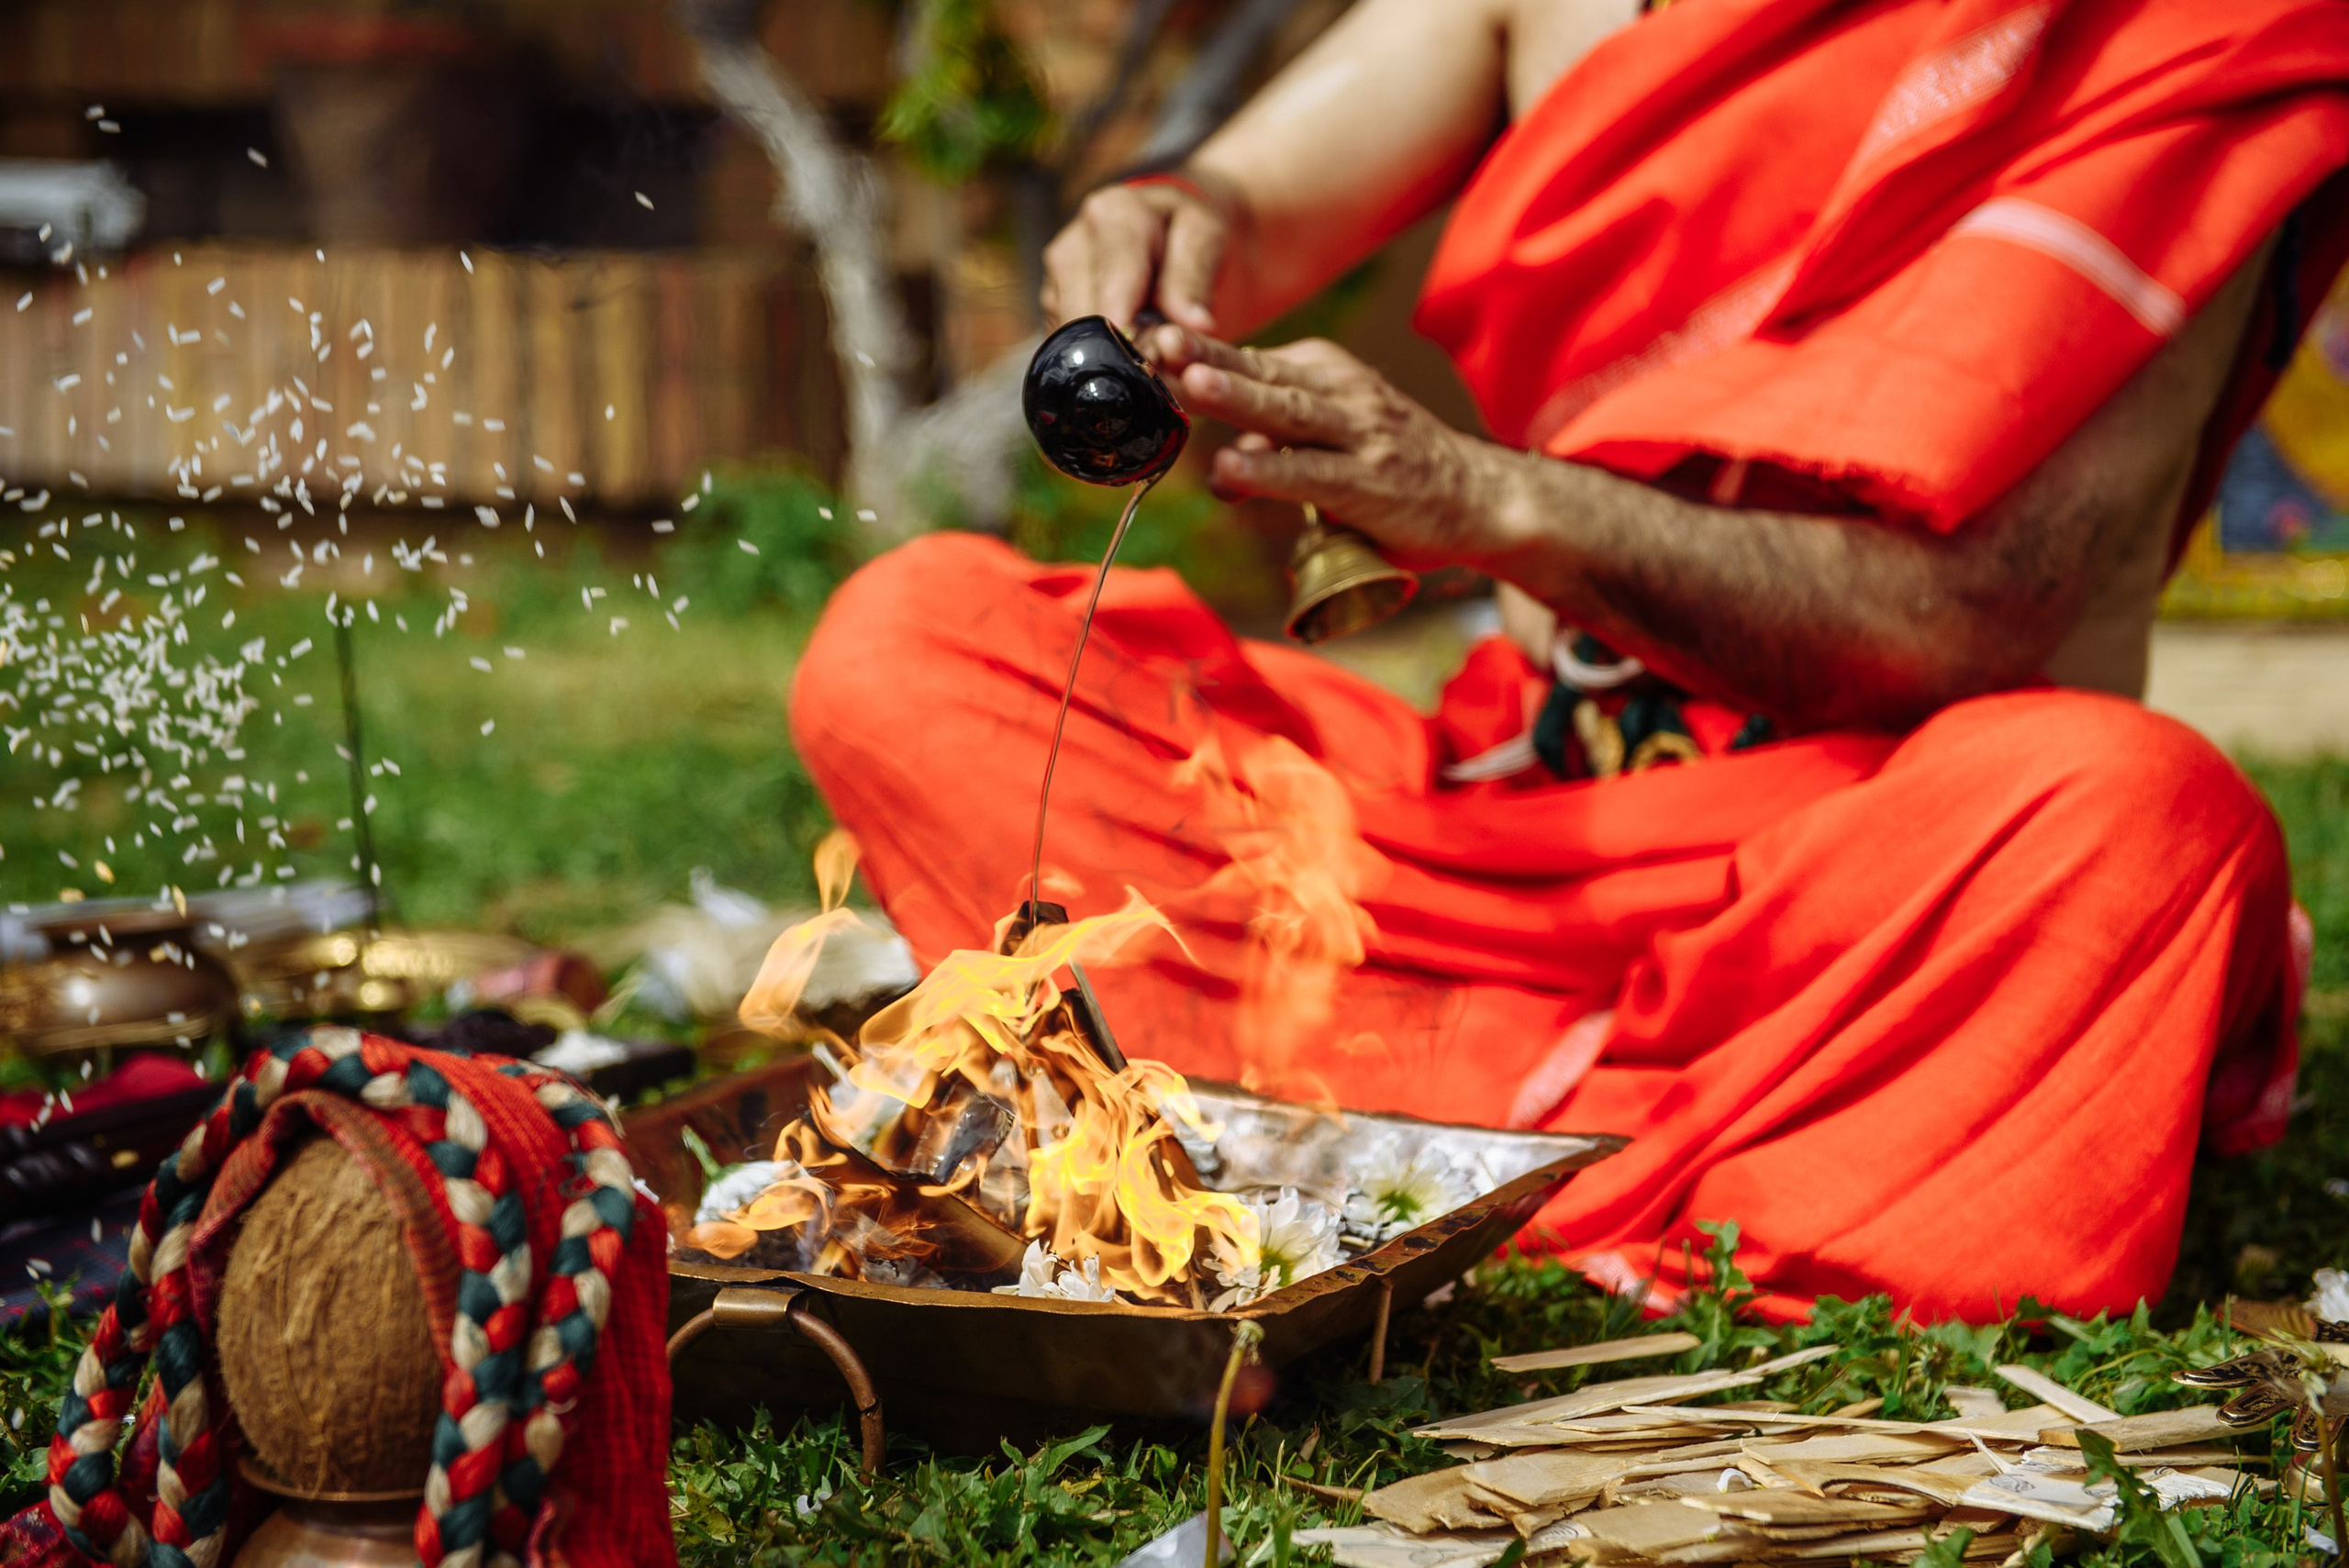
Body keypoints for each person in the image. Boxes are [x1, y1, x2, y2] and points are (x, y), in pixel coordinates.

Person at [793, 0, 2349, 1320]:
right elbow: (1243, 200)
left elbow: (1983, 615)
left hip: (1870, 892)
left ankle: (1378, 1144)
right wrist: (1164, 226)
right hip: (1504, 832)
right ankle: (1666, 1162)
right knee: (911, 647)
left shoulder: (2159, 40)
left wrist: (1491, 500)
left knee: (2138, 817)